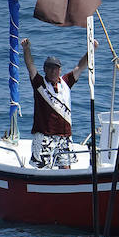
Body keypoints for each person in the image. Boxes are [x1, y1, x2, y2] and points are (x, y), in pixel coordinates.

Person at [21, 37, 93, 168]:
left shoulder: (66, 82)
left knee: (66, 169)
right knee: (41, 169)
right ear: (44, 69)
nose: (53, 71)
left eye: (55, 68)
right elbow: (30, 66)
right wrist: (26, 49)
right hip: (44, 136)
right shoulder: (39, 84)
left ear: (60, 70)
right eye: (49, 68)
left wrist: (91, 50)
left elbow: (80, 66)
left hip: (64, 136)